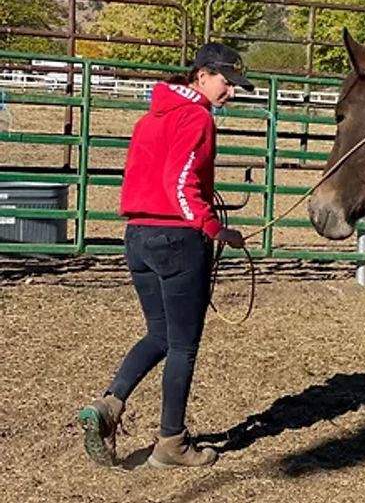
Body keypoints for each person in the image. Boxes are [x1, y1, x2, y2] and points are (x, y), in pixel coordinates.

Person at [78, 43, 254, 469]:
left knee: (159, 333)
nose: (229, 92)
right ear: (201, 76)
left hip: (138, 236)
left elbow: (149, 177)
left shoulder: (150, 118)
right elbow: (180, 183)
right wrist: (214, 228)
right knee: (182, 346)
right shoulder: (197, 118)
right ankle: (171, 443)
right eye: (226, 83)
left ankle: (109, 405)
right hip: (177, 241)